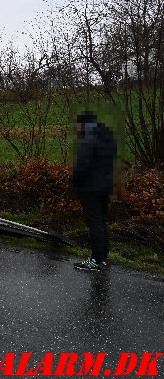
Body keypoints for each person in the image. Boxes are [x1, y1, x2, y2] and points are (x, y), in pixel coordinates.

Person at [70, 111, 117, 271]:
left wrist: (74, 181)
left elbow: (83, 162)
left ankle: (95, 260)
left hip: (90, 186)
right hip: (105, 186)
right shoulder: (107, 135)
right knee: (101, 221)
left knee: (94, 222)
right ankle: (103, 258)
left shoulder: (88, 136)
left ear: (82, 123)